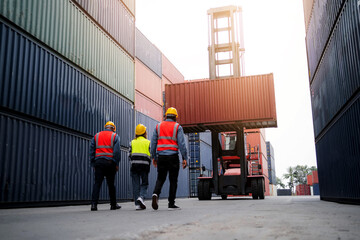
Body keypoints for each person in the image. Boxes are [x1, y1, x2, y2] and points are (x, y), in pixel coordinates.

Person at [151, 107, 188, 210]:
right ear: (175, 117)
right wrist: (185, 158)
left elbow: (153, 143)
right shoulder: (177, 127)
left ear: (166, 116)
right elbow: (182, 144)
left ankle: (155, 194)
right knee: (173, 180)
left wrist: (153, 156)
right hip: (173, 157)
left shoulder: (158, 126)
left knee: (160, 178)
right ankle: (171, 203)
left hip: (161, 157)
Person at [89, 121, 121, 211]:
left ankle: (94, 205)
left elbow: (92, 150)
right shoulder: (115, 136)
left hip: (98, 162)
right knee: (111, 184)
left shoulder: (97, 136)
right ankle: (113, 205)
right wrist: (116, 163)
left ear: (105, 127)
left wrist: (93, 163)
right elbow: (117, 152)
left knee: (97, 183)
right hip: (110, 163)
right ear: (113, 129)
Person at [129, 124, 151, 210]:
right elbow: (151, 153)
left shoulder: (132, 142)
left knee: (135, 185)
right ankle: (141, 197)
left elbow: (129, 154)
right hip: (145, 166)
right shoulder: (148, 142)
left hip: (134, 165)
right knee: (144, 183)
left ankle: (137, 204)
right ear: (145, 132)